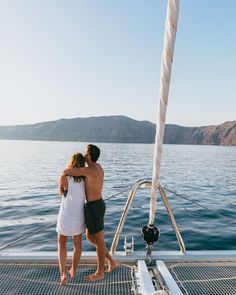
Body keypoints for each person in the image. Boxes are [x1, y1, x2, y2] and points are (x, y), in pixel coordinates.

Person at [63, 144, 118, 281]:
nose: (84, 155)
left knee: (99, 241)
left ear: (90, 156)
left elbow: (67, 171)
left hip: (94, 207)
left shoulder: (89, 171)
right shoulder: (98, 167)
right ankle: (111, 261)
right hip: (97, 205)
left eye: (86, 154)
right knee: (90, 236)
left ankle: (100, 272)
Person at [57, 153, 86, 286]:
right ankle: (73, 269)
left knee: (62, 243)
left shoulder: (64, 177)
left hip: (66, 215)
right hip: (79, 215)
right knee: (77, 244)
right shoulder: (86, 178)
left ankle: (63, 273)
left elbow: (62, 193)